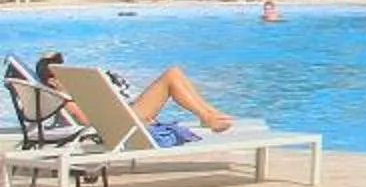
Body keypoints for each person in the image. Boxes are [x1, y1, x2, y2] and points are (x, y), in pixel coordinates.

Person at [33, 53, 239, 135]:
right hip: (121, 122)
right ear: (52, 80)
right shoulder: (62, 98)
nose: (66, 71)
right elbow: (88, 120)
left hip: (123, 115)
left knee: (174, 73)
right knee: (170, 76)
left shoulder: (68, 92)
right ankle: (206, 116)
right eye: (60, 70)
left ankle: (208, 114)